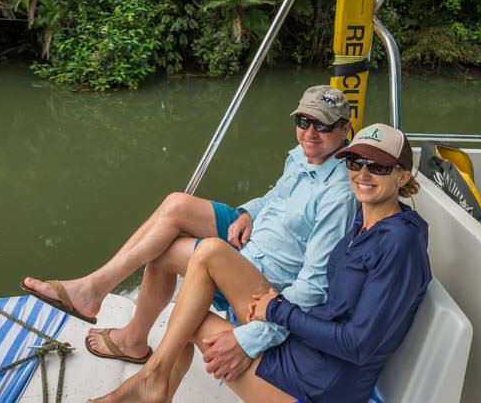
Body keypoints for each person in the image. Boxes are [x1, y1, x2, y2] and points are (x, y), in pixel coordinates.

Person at [22, 85, 357, 379]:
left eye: (324, 125)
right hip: (253, 234)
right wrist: (247, 212)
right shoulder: (304, 155)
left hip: (262, 273)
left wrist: (254, 335)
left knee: (165, 251)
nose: (310, 132)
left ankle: (131, 337)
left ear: (345, 129)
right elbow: (276, 197)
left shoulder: (339, 196)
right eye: (304, 121)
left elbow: (314, 286)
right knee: (177, 204)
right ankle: (93, 289)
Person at [88, 123, 432, 403]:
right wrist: (252, 213)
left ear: (402, 177)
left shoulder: (399, 244)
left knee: (187, 321)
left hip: (318, 386)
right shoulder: (363, 225)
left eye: (380, 167)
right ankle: (153, 385)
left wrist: (277, 313)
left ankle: (152, 385)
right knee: (210, 252)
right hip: (307, 348)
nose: (363, 173)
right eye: (355, 163)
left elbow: (357, 345)